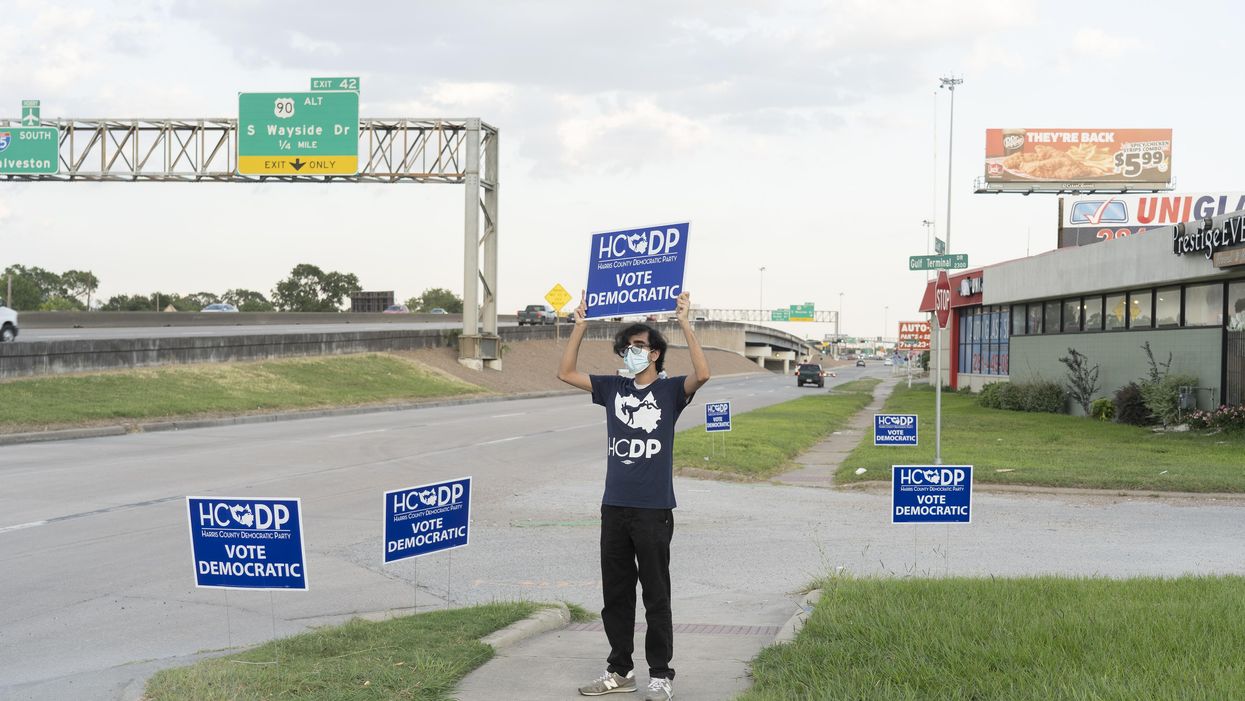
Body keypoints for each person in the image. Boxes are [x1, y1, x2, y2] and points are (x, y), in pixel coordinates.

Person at [557, 290, 710, 700]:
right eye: (627, 347)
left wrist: (684, 322)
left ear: (656, 353)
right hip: (614, 507)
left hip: (653, 510)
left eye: (639, 346)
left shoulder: (671, 392)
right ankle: (620, 671)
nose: (632, 352)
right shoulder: (612, 388)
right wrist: (580, 326)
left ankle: (660, 674)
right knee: (616, 596)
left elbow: (703, 374)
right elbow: (566, 373)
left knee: (656, 595)